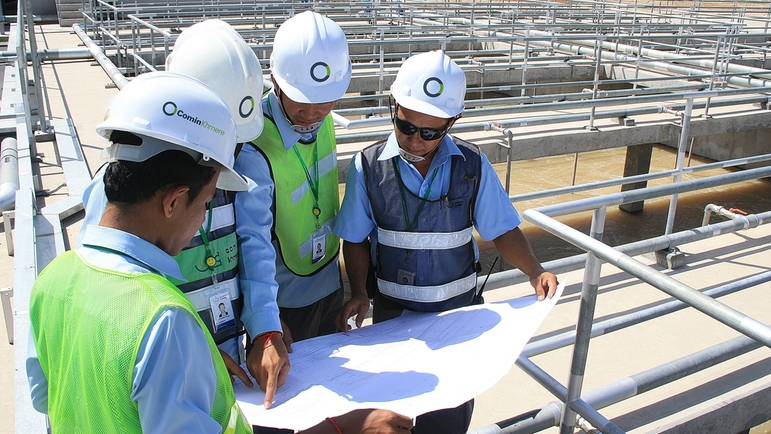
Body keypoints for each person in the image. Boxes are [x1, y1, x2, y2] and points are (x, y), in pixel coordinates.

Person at [27, 71, 414, 434]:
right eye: (208, 203)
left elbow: (45, 396)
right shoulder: (166, 322)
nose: (203, 223)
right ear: (175, 200)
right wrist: (344, 425)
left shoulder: (52, 280)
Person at [333, 50, 559, 434]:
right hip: (393, 320)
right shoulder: (367, 167)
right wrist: (358, 292)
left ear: (452, 122)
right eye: (406, 127)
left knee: (448, 419)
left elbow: (502, 229)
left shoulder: (472, 166)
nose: (416, 141)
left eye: (431, 133)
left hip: (457, 322)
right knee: (394, 416)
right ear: (394, 105)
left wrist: (535, 270)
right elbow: (354, 239)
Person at [76, 20, 264, 382]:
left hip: (222, 355)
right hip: (165, 363)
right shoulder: (117, 190)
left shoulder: (237, 166)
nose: (231, 157)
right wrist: (196, 353)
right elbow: (109, 293)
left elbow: (255, 246)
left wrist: (264, 327)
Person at [235, 10, 351, 409]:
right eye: (302, 102)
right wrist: (265, 325)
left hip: (327, 283)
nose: (313, 114)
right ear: (275, 81)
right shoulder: (255, 145)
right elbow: (252, 242)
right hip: (285, 304)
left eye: (325, 103)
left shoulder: (323, 119)